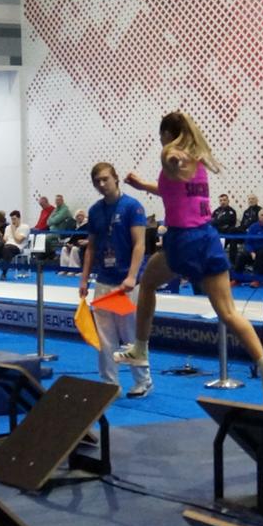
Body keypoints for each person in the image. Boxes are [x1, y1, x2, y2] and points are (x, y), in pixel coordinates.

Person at [113, 111, 263, 399]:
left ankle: (140, 347)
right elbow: (174, 191)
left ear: (167, 134)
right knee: (228, 312)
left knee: (148, 283)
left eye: (161, 137)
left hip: (183, 240)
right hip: (208, 238)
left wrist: (170, 157)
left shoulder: (172, 155)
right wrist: (143, 185)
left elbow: (171, 161)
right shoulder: (199, 161)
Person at [79, 163, 152, 399]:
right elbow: (91, 247)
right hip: (103, 282)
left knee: (131, 335)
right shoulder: (94, 210)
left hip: (126, 284)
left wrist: (132, 275)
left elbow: (139, 244)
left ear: (116, 178)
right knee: (105, 338)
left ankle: (143, 381)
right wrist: (84, 279)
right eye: (97, 181)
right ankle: (110, 383)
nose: (102, 184)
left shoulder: (132, 206)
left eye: (105, 179)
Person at [234, 208, 263, 278]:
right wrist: (251, 252)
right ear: (259, 217)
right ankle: (236, 278)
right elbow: (248, 242)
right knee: (241, 255)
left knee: (261, 253)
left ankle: (257, 279)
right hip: (253, 249)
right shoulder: (253, 227)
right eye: (262, 215)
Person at [0, 210, 29, 279]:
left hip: (18, 247)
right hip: (7, 245)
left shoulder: (25, 227)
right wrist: (0, 236)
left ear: (19, 218)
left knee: (7, 249)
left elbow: (19, 241)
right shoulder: (7, 227)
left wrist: (13, 230)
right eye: (12, 219)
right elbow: (4, 240)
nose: (13, 221)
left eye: (14, 219)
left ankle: (4, 272)